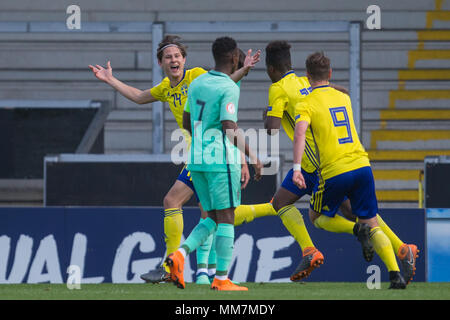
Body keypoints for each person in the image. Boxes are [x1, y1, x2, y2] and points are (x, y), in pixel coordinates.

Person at [88, 35, 261, 283]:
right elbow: (138, 96)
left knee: (203, 211)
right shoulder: (166, 88)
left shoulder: (197, 76)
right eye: (168, 57)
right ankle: (193, 270)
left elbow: (222, 89)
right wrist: (110, 79)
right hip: (201, 154)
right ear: (161, 63)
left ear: (184, 60)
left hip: (210, 153)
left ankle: (189, 268)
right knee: (201, 210)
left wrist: (243, 71)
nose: (174, 60)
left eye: (177, 56)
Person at [292, 51, 411, 289]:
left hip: (335, 170)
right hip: (362, 165)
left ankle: (357, 229)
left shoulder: (305, 103)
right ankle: (396, 274)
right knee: (373, 221)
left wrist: (296, 168)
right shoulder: (343, 97)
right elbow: (338, 91)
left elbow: (300, 132)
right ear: (331, 73)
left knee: (316, 218)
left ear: (306, 76)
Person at [165, 36, 263, 291]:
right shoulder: (229, 88)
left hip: (196, 160)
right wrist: (252, 156)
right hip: (221, 160)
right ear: (233, 58)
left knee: (212, 218)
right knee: (226, 217)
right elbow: (230, 128)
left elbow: (186, 122)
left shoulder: (197, 83)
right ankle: (220, 279)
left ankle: (179, 255)